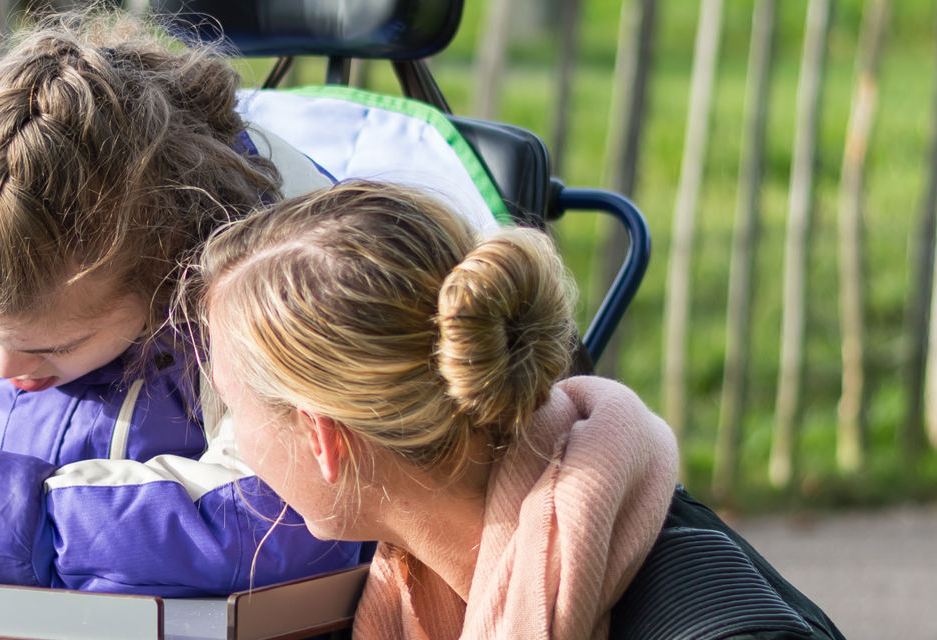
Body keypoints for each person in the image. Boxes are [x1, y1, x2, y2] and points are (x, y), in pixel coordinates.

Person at [0, 12, 368, 596]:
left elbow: (291, 515)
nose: (2, 365)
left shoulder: (281, 268)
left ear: (166, 267)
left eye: (53, 345)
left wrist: (15, 524)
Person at [197, 180, 846, 639]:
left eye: (231, 404)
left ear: (322, 437)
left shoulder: (718, 628)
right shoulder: (424, 591)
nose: (229, 438)